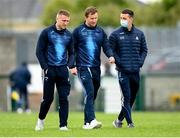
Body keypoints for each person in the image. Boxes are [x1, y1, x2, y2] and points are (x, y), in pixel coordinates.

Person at [72, 6, 115, 129]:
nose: (94, 20)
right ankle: (92, 120)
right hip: (82, 67)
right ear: (86, 17)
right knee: (90, 91)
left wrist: (111, 56)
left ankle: (86, 123)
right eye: (91, 18)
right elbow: (72, 50)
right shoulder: (78, 31)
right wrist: (72, 65)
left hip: (96, 67)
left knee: (93, 94)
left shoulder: (100, 32)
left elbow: (106, 46)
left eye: (96, 18)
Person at [35, 9, 75, 131]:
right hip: (49, 69)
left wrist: (69, 65)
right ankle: (40, 120)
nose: (66, 23)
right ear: (57, 19)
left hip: (62, 70)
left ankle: (63, 125)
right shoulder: (46, 32)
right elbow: (39, 51)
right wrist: (45, 67)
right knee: (48, 98)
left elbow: (72, 53)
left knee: (64, 97)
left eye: (68, 21)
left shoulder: (69, 35)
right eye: (64, 20)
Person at [109, 9, 148, 128]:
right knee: (126, 96)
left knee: (132, 97)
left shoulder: (140, 34)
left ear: (131, 19)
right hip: (123, 72)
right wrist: (119, 63)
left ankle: (118, 120)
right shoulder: (115, 34)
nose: (122, 20)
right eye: (121, 18)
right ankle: (130, 123)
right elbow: (111, 50)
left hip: (135, 71)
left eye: (124, 18)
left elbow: (144, 50)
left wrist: (139, 63)